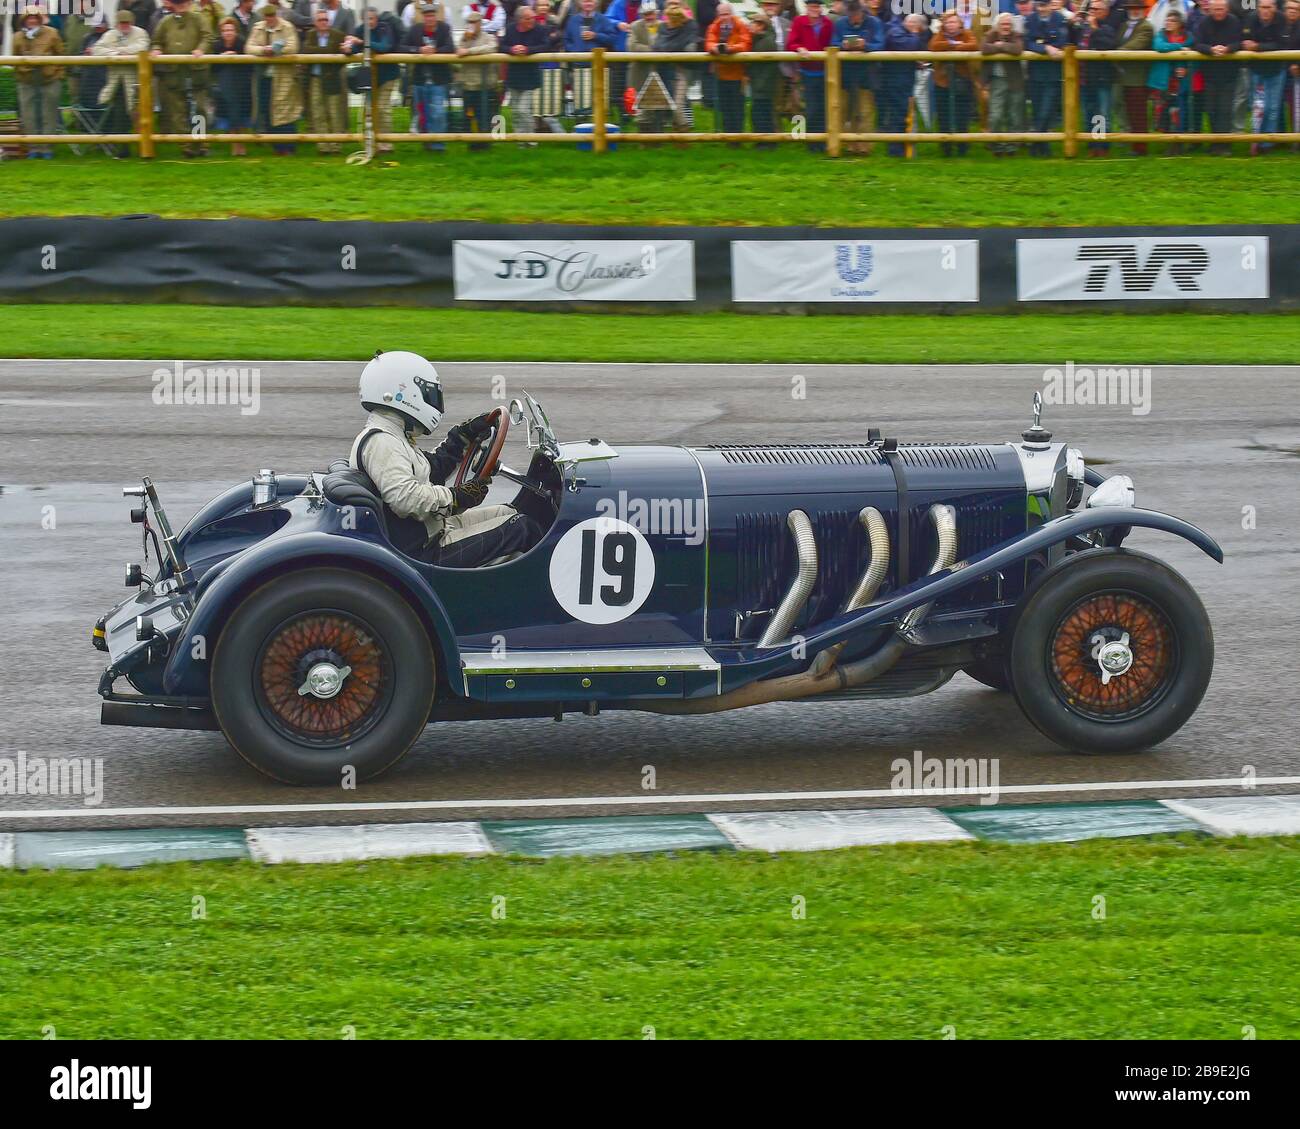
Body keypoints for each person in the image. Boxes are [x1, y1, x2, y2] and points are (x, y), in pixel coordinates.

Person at [351, 353, 541, 569]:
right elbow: (407, 499)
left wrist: (462, 437)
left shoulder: (393, 435)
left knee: (510, 513)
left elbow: (430, 471)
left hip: (429, 530)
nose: (433, 401)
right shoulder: (381, 442)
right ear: (402, 393)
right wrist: (456, 497)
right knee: (522, 529)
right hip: (422, 551)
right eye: (427, 393)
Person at [150, 0, 209, 158]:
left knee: (199, 108)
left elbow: (207, 36)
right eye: (178, 4)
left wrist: (200, 49)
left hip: (195, 71)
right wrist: (156, 50)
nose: (181, 7)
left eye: (184, 4)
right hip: (174, 72)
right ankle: (186, 145)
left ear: (189, 4)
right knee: (178, 111)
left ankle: (200, 142)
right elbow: (156, 41)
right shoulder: (165, 22)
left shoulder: (198, 19)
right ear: (172, 5)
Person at [343, 8, 401, 152]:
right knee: (368, 109)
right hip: (369, 76)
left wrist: (362, 42)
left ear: (376, 19)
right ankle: (371, 142)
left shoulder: (384, 27)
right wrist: (347, 48)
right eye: (366, 19)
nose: (369, 22)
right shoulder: (360, 29)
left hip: (388, 75)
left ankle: (386, 144)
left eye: (371, 18)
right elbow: (354, 49)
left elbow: (385, 46)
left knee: (382, 108)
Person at [95, 10, 151, 158]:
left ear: (132, 22)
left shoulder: (141, 33)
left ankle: (144, 149)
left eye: (127, 22)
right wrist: (117, 54)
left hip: (137, 82)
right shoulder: (110, 34)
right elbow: (97, 49)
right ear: (117, 23)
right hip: (117, 83)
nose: (125, 25)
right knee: (120, 116)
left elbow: (142, 47)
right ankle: (122, 150)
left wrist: (120, 50)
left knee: (138, 116)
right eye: (122, 23)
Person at [246, 3, 300, 153]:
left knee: (285, 112)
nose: (269, 19)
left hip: (283, 77)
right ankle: (276, 146)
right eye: (267, 16)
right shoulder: (258, 27)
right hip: (264, 78)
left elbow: (293, 46)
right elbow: (249, 47)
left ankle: (289, 146)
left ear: (277, 15)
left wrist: (277, 50)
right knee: (267, 109)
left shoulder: (287, 27)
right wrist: (264, 50)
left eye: (272, 16)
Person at [832, 0, 884, 155]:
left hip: (866, 76)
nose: (854, 17)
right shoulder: (840, 23)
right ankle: (843, 145)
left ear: (862, 12)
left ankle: (864, 147)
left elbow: (880, 44)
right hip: (844, 76)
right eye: (851, 14)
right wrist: (843, 45)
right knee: (842, 110)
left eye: (857, 14)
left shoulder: (874, 23)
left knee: (865, 111)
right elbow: (832, 43)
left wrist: (865, 46)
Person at [14, 6, 64, 160]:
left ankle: (46, 148)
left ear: (40, 20)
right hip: (26, 82)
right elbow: (15, 58)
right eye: (29, 18)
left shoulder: (52, 33)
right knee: (28, 115)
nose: (33, 20)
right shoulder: (17, 37)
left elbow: (61, 54)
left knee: (48, 114)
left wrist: (58, 75)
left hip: (49, 80)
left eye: (36, 18)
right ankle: (33, 147)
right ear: (24, 20)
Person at [404, 3, 454, 151]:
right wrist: (419, 50)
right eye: (427, 16)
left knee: (438, 112)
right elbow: (401, 47)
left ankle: (438, 145)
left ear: (436, 16)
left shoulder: (444, 28)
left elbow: (450, 47)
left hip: (439, 79)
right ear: (423, 17)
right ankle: (426, 142)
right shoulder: (415, 30)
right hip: (420, 79)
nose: (430, 18)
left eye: (432, 15)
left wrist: (435, 51)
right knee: (423, 113)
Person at [1193, 0, 1242, 153]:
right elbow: (1197, 44)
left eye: (1221, 9)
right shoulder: (1204, 22)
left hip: (1229, 75)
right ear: (1210, 10)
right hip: (1210, 75)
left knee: (1225, 110)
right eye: (1215, 9)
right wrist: (1211, 49)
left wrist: (1228, 49)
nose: (1218, 12)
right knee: (1211, 109)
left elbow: (1240, 43)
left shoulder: (1234, 21)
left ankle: (1225, 145)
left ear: (1226, 9)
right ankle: (1215, 143)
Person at [929, 9, 977, 156]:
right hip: (942, 82)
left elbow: (973, 45)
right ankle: (946, 147)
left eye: (953, 21)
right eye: (948, 22)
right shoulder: (939, 35)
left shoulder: (967, 33)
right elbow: (934, 46)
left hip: (963, 82)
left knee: (962, 115)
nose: (950, 25)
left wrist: (952, 46)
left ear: (959, 23)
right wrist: (955, 45)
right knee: (944, 115)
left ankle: (963, 147)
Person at [1023, 0, 1068, 154]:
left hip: (1053, 74)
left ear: (1050, 5)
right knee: (1037, 111)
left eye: (1045, 5)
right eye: (1040, 6)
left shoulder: (1060, 19)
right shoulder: (1030, 19)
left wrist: (1043, 44)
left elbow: (1063, 41)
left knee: (1047, 110)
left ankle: (1037, 143)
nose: (1042, 9)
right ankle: (1043, 146)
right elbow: (1027, 43)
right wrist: (1046, 47)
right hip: (1035, 74)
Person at [301, 7, 347, 153]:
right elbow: (306, 50)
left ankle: (336, 145)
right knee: (317, 111)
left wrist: (320, 52)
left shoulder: (338, 35)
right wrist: (328, 52)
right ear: (315, 22)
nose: (324, 22)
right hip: (315, 79)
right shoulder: (310, 35)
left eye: (326, 19)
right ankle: (323, 146)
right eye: (321, 20)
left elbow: (344, 55)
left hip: (332, 77)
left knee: (334, 112)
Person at [1150, 7, 1197, 149]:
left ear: (1180, 23)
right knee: (1163, 110)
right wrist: (1179, 48)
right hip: (1164, 81)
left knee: (1179, 111)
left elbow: (1191, 52)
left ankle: (1178, 142)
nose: (1168, 22)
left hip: (1181, 82)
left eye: (1172, 20)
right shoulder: (1161, 35)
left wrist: (1185, 67)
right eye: (1167, 20)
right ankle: (1167, 141)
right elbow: (1159, 46)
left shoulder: (1189, 37)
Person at [1244, 0, 1287, 152]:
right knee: (1256, 106)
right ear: (1258, 8)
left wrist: (1258, 46)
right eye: (1263, 7)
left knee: (1272, 107)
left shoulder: (1282, 19)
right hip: (1256, 69)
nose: (1265, 10)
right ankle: (1256, 139)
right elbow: (1245, 39)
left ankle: (1268, 143)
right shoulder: (1251, 18)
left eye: (1269, 7)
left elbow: (1282, 44)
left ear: (1274, 8)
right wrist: (1252, 45)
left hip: (1276, 70)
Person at [790, 0, 834, 150]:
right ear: (807, 7)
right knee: (807, 107)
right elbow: (791, 43)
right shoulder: (798, 21)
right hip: (805, 72)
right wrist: (800, 48)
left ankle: (821, 141)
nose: (814, 9)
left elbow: (832, 43)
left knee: (823, 107)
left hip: (825, 72)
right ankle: (806, 139)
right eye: (812, 6)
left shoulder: (827, 23)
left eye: (817, 6)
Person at [706, 2, 752, 138]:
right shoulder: (714, 26)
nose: (724, 17)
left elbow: (746, 44)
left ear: (732, 14)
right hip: (721, 74)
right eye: (721, 15)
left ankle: (738, 137)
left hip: (739, 75)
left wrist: (730, 49)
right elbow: (709, 42)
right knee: (725, 107)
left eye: (726, 14)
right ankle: (728, 137)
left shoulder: (741, 25)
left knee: (738, 108)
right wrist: (714, 48)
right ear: (717, 15)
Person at [502, 5, 550, 137]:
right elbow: (501, 46)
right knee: (516, 111)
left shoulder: (539, 29)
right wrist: (512, 50)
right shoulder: (510, 29)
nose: (532, 21)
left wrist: (528, 50)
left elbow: (546, 46)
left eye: (533, 18)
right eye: (528, 19)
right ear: (520, 20)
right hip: (514, 76)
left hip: (530, 76)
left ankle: (530, 139)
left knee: (523, 110)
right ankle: (520, 139)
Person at [982, 11, 1025, 155]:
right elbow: (984, 48)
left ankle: (1012, 146)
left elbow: (1017, 49)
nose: (1006, 26)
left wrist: (1000, 45)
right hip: (996, 81)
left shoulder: (1016, 35)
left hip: (1015, 80)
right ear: (997, 25)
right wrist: (1002, 47)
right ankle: (997, 145)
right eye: (1003, 24)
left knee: (1014, 115)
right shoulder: (991, 34)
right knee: (996, 115)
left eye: (1008, 24)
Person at [1114, 0, 1154, 153]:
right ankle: (1129, 141)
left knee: (1138, 113)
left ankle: (1141, 146)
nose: (1134, 11)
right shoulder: (1124, 25)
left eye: (1137, 8)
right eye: (1131, 8)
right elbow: (1117, 42)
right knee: (1125, 111)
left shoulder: (1146, 26)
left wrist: (1115, 54)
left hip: (1137, 77)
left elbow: (1136, 45)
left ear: (1143, 10)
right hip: (1121, 76)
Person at [457, 10, 500, 149]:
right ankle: (471, 143)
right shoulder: (464, 38)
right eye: (469, 22)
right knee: (468, 116)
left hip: (485, 86)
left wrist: (470, 52)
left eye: (474, 22)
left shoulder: (488, 37)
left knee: (485, 115)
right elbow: (458, 51)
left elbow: (492, 47)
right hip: (468, 85)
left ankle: (486, 143)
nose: (471, 25)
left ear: (480, 23)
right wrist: (466, 41)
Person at [747, 7, 779, 145]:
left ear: (761, 26)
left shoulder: (765, 42)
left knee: (761, 114)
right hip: (761, 85)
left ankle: (765, 142)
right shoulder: (761, 39)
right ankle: (764, 142)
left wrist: (759, 85)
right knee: (761, 113)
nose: (750, 25)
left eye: (753, 23)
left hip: (763, 86)